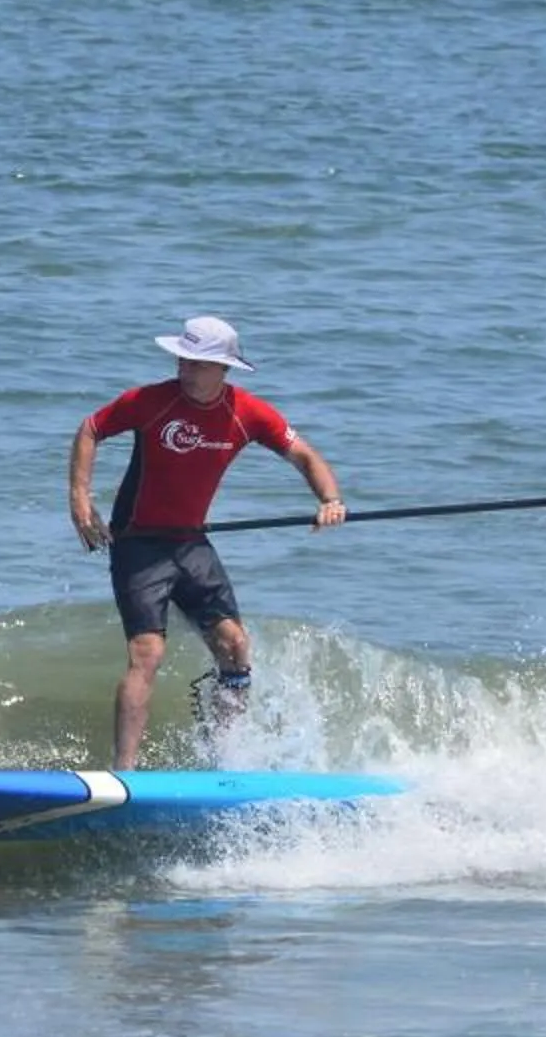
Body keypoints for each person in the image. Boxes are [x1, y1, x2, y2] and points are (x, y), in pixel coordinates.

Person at [67, 315, 345, 767]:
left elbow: (304, 455)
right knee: (148, 653)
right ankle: (124, 773)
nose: (185, 368)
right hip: (138, 544)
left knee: (235, 647)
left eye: (197, 362)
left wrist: (329, 499)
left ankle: (223, 756)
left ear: (224, 368)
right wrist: (81, 499)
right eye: (182, 358)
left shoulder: (248, 413)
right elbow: (91, 429)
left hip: (191, 545)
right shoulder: (151, 401)